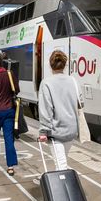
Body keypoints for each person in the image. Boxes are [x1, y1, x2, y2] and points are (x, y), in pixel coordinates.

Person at [35, 50, 80, 184]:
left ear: (50, 65)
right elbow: (80, 102)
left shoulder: (46, 83)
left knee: (61, 165)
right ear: (65, 65)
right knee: (61, 159)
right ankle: (54, 180)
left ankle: (66, 196)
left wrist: (43, 131)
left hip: (56, 132)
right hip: (72, 130)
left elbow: (45, 109)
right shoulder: (73, 80)